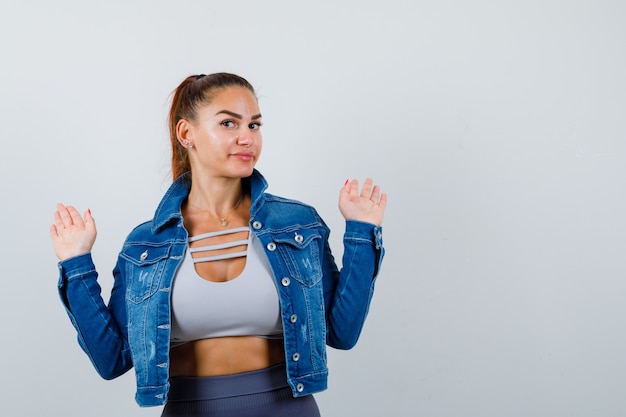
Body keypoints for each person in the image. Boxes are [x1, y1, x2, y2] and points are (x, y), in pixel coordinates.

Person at [50, 72, 387, 416]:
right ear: (187, 134)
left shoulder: (297, 224)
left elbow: (342, 333)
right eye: (229, 124)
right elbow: (112, 360)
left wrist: (362, 232)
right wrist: (76, 264)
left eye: (254, 126)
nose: (247, 138)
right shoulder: (146, 245)